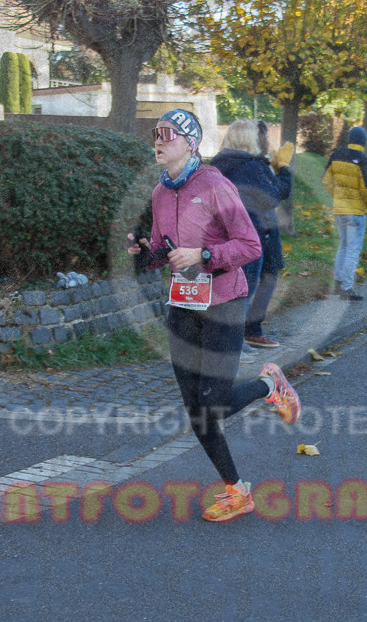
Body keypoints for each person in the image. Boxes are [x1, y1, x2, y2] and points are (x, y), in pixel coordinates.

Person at [127, 108, 301, 522]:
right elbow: (161, 249)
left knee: (215, 405)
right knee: (196, 410)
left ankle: (269, 384)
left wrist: (204, 254)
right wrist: (145, 253)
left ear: (190, 141)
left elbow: (249, 246)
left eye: (168, 134)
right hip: (183, 304)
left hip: (224, 303)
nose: (159, 140)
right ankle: (236, 491)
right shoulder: (159, 192)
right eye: (156, 134)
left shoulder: (214, 184)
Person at [209, 119, 291, 349]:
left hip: (230, 234)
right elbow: (274, 196)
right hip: (253, 233)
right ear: (250, 139)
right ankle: (236, 342)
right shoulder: (251, 166)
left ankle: (240, 336)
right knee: (247, 287)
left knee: (237, 286)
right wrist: (284, 170)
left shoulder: (218, 164)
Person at [242, 120, 294, 348]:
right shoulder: (256, 164)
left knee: (252, 280)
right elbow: (278, 192)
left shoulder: (235, 162)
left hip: (248, 226)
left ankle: (246, 329)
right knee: (266, 277)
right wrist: (283, 168)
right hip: (262, 227)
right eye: (265, 137)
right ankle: (251, 329)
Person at [323, 126, 367, 301]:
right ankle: (346, 288)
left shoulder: (336, 156)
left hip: (339, 209)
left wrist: (338, 196)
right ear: (364, 142)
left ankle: (338, 282)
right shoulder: (364, 160)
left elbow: (327, 181)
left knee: (344, 245)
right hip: (356, 212)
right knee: (353, 249)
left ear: (349, 139)